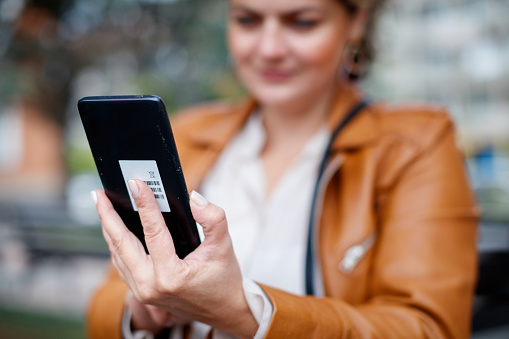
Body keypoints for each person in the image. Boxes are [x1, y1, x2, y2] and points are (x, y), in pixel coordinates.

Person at [87, 0, 478, 338]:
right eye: (248, 20)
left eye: (302, 22)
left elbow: (429, 328)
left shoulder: (414, 144)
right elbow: (105, 302)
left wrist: (243, 312)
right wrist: (147, 307)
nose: (269, 48)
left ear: (356, 21)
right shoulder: (187, 134)